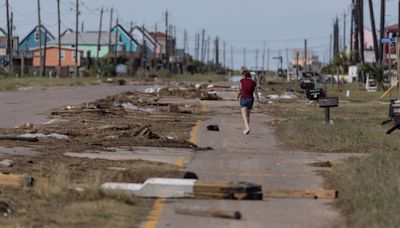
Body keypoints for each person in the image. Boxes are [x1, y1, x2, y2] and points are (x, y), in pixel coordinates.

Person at [238, 70, 260, 135]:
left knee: (244, 115)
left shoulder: (241, 81)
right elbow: (256, 93)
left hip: (243, 98)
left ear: (244, 75)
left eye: (242, 75)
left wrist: (237, 96)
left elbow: (240, 90)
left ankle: (247, 127)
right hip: (250, 99)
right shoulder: (253, 82)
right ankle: (246, 129)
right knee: (248, 115)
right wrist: (258, 101)